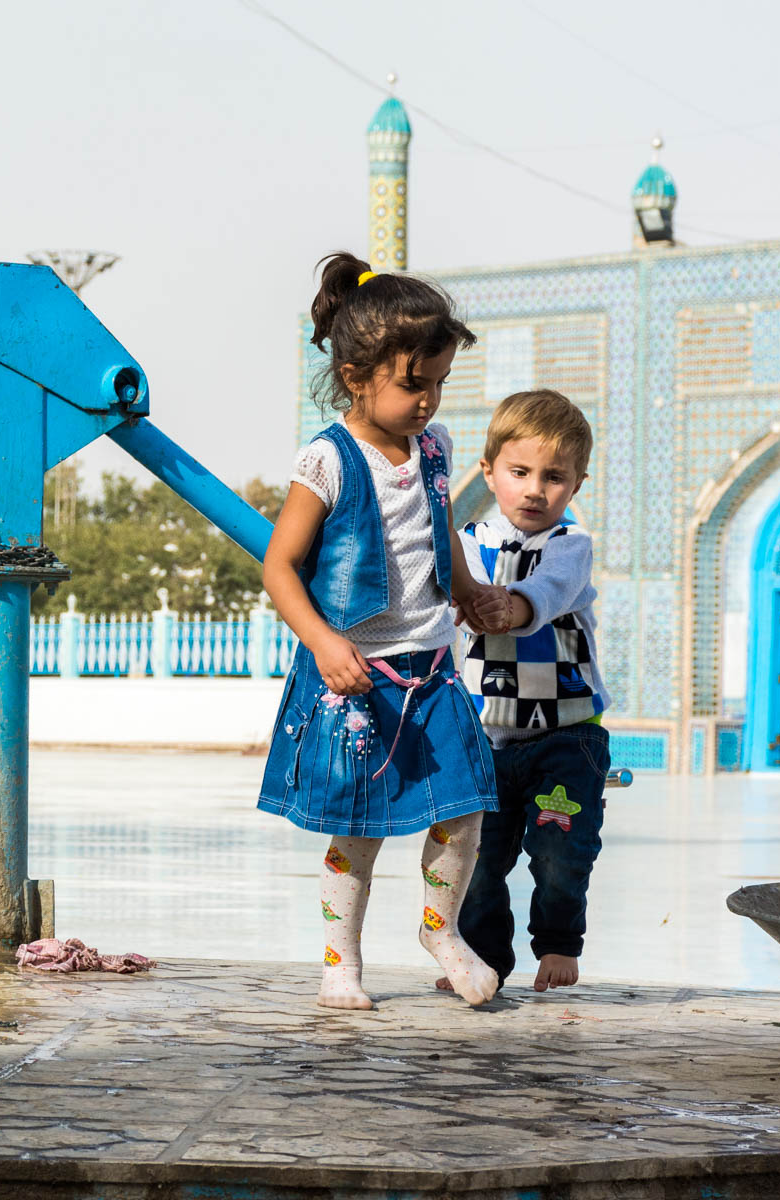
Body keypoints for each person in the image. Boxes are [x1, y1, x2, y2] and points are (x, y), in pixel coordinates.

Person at [257, 253, 513, 1010]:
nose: (429, 400)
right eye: (413, 383)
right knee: (358, 828)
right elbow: (280, 567)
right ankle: (340, 961)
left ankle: (440, 929)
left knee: (462, 811)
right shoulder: (326, 461)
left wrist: (467, 591)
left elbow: (438, 532)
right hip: (357, 677)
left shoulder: (433, 451)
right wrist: (323, 642)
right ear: (355, 374)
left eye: (438, 383)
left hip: (431, 669)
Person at [445, 389, 611, 995]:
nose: (535, 489)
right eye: (519, 473)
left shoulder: (571, 546)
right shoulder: (463, 545)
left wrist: (507, 607)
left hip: (566, 737)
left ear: (576, 484)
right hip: (484, 737)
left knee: (560, 852)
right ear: (489, 472)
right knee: (480, 861)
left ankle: (560, 942)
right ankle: (484, 957)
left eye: (554, 477)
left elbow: (548, 592)